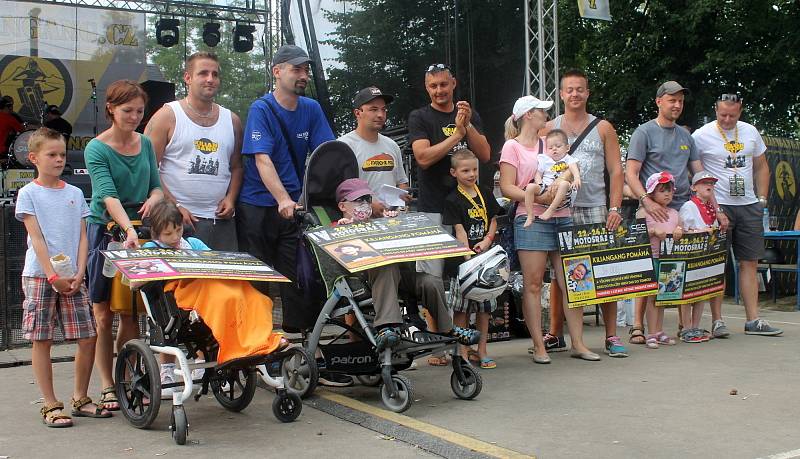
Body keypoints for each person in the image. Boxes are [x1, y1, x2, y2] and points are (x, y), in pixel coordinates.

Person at [16, 127, 111, 427]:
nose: (59, 160)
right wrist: (51, 274)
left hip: (73, 276)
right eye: (52, 155)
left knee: (88, 335)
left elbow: (83, 236)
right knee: (41, 339)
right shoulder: (28, 193)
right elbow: (37, 237)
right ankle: (49, 403)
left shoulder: (74, 193)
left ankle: (80, 397)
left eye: (62, 154)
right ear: (34, 158)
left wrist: (81, 270)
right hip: (40, 276)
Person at [237, 44, 334, 333]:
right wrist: (282, 199)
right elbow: (262, 159)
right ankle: (259, 348)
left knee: (299, 277)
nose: (303, 75)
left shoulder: (311, 108)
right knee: (259, 281)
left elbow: (326, 155)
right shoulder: (261, 109)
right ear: (277, 72)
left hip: (293, 209)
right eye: (296, 69)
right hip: (257, 207)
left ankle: (300, 348)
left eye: (305, 70)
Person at [624, 81, 725, 345]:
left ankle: (685, 326)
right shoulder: (643, 132)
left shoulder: (686, 137)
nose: (677, 105)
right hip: (650, 210)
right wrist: (647, 202)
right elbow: (631, 174)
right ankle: (637, 326)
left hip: (681, 210)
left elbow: (700, 176)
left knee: (681, 269)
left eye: (680, 101)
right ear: (659, 101)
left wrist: (718, 210)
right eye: (672, 100)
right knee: (646, 270)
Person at [499, 95, 598, 363]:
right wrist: (539, 197)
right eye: (542, 110)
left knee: (574, 281)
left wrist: (561, 182)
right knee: (533, 284)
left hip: (563, 215)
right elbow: (506, 187)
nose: (546, 114)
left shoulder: (550, 142)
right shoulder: (512, 146)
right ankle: (539, 345)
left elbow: (569, 166)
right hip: (530, 216)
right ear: (529, 115)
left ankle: (577, 342)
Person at [84, 80, 163, 410]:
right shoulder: (96, 148)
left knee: (130, 312)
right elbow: (107, 194)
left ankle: (127, 375)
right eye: (127, 110)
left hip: (140, 232)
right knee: (102, 315)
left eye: (140, 111)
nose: (134, 117)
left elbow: (157, 187)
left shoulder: (145, 143)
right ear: (111, 110)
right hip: (107, 232)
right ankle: (105, 384)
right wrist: (127, 226)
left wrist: (153, 202)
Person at [541, 70, 627, 358]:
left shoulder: (603, 127)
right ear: (561, 95)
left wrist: (614, 207)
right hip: (560, 208)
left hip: (595, 207)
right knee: (559, 275)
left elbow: (616, 170)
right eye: (570, 90)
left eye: (580, 89)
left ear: (587, 93)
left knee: (603, 271)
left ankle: (611, 335)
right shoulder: (549, 127)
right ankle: (555, 334)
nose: (575, 94)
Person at [141, 201, 287, 365]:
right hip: (181, 296)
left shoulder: (192, 243)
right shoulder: (150, 248)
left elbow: (216, 263)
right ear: (157, 233)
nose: (175, 237)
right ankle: (240, 346)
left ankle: (263, 341)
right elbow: (135, 283)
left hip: (209, 286)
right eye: (168, 234)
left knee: (252, 296)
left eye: (178, 230)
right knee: (226, 299)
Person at [407, 64, 491, 341]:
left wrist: (467, 127)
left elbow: (485, 155)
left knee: (467, 275)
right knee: (431, 278)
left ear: (453, 83)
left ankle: (470, 343)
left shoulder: (469, 115)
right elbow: (423, 157)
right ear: (426, 87)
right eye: (434, 86)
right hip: (432, 209)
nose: (440, 91)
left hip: (466, 211)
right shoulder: (419, 117)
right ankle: (434, 337)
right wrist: (456, 134)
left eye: (444, 84)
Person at [693, 93, 782, 336]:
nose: (727, 120)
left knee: (750, 262)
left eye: (732, 115)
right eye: (723, 115)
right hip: (718, 205)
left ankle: (753, 320)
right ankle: (717, 320)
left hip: (749, 204)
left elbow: (762, 166)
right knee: (715, 263)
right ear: (715, 110)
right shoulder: (701, 135)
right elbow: (695, 172)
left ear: (740, 111)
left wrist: (762, 200)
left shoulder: (751, 131)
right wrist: (708, 205)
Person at [145, 52, 243, 251]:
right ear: (187, 78)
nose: (210, 79)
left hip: (221, 222)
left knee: (223, 281)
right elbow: (147, 168)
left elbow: (237, 167)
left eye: (215, 74)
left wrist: (231, 198)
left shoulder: (232, 120)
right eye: (203, 73)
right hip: (176, 223)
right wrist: (174, 206)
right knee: (183, 283)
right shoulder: (167, 116)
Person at [443, 149, 500, 369]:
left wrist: (487, 241)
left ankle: (482, 350)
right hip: (464, 264)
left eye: (474, 169)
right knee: (462, 309)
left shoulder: (485, 192)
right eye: (465, 170)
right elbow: (459, 231)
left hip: (487, 260)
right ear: (453, 172)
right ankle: (462, 351)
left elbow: (494, 219)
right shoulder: (452, 199)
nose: (471, 174)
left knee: (485, 308)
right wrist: (467, 259)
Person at [338, 86, 411, 215]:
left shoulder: (392, 145)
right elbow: (339, 190)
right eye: (373, 109)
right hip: (358, 224)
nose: (380, 115)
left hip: (393, 222)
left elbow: (402, 182)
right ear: (357, 113)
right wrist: (369, 205)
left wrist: (400, 202)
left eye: (383, 110)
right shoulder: (343, 146)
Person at [637, 172, 683, 348]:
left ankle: (659, 330)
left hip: (668, 261)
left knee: (663, 297)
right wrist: (653, 231)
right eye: (662, 190)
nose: (667, 194)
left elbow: (681, 227)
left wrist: (679, 230)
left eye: (670, 191)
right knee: (651, 297)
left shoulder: (674, 213)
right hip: (651, 259)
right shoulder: (644, 212)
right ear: (651, 193)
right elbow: (636, 234)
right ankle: (650, 332)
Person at [677, 171, 719, 343]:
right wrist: (702, 231)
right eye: (704, 183)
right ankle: (686, 327)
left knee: (702, 291)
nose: (709, 185)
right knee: (687, 292)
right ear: (694, 187)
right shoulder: (689, 206)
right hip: (690, 254)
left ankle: (695, 325)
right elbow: (683, 230)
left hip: (706, 256)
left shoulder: (712, 207)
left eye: (711, 183)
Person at [523, 129, 581, 224]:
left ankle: (551, 209)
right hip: (546, 188)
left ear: (567, 148)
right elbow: (538, 174)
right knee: (530, 187)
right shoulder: (545, 160)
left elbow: (574, 168)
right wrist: (539, 183)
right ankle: (530, 214)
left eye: (558, 146)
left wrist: (577, 178)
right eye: (550, 148)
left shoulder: (568, 159)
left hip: (562, 194)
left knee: (565, 184)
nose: (554, 149)